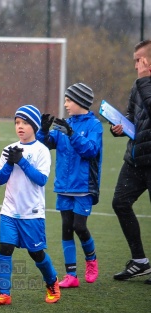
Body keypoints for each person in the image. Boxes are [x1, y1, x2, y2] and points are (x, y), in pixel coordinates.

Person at [0, 105, 60, 306]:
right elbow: (0, 179)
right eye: (17, 122)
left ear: (34, 126)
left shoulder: (42, 150)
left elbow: (41, 179)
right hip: (9, 211)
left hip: (32, 213)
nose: (20, 126)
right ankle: (3, 293)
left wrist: (22, 162)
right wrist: (10, 163)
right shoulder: (8, 149)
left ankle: (52, 282)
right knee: (5, 249)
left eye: (25, 123)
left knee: (36, 253)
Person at [37, 83, 101, 288]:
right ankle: (71, 275)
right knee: (66, 229)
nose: (65, 104)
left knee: (79, 227)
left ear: (80, 102)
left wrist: (72, 134)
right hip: (63, 186)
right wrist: (44, 131)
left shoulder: (94, 126)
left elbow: (90, 150)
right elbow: (45, 144)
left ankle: (91, 261)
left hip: (83, 186)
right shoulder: (65, 124)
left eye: (68, 100)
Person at [110, 40, 151, 284]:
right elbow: (132, 115)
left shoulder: (143, 83)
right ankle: (139, 261)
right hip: (135, 158)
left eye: (138, 60)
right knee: (120, 203)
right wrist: (120, 126)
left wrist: (145, 78)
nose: (135, 65)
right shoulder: (139, 85)